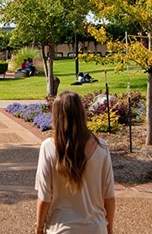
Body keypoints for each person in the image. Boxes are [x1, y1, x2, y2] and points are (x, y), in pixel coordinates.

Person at [35, 91, 115, 234]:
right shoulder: (102, 147)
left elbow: (45, 197)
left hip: (60, 228)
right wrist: (109, 229)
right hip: (96, 227)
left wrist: (39, 228)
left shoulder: (48, 148)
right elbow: (109, 196)